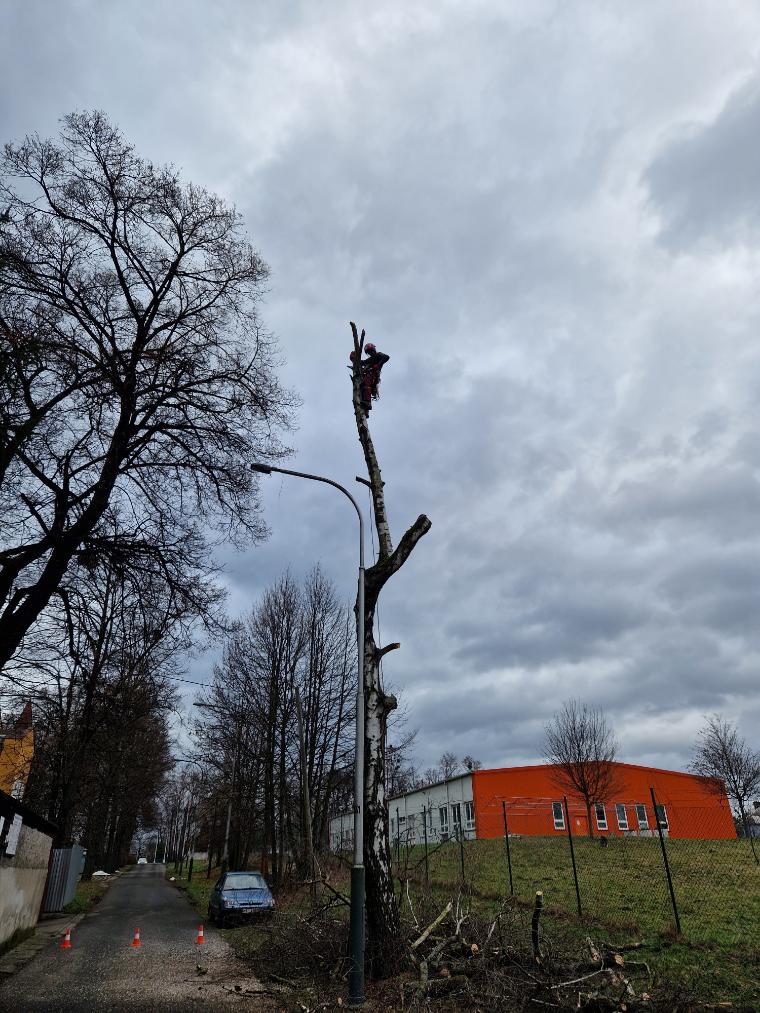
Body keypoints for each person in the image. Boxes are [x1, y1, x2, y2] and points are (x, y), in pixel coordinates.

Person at [350, 343, 390, 413]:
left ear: (373, 349)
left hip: (373, 375)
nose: (370, 353)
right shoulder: (370, 359)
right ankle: (365, 411)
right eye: (368, 352)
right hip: (370, 376)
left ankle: (367, 403)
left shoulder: (378, 355)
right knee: (362, 387)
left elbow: (386, 357)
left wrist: (378, 365)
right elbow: (362, 362)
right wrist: (354, 359)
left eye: (370, 351)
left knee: (366, 383)